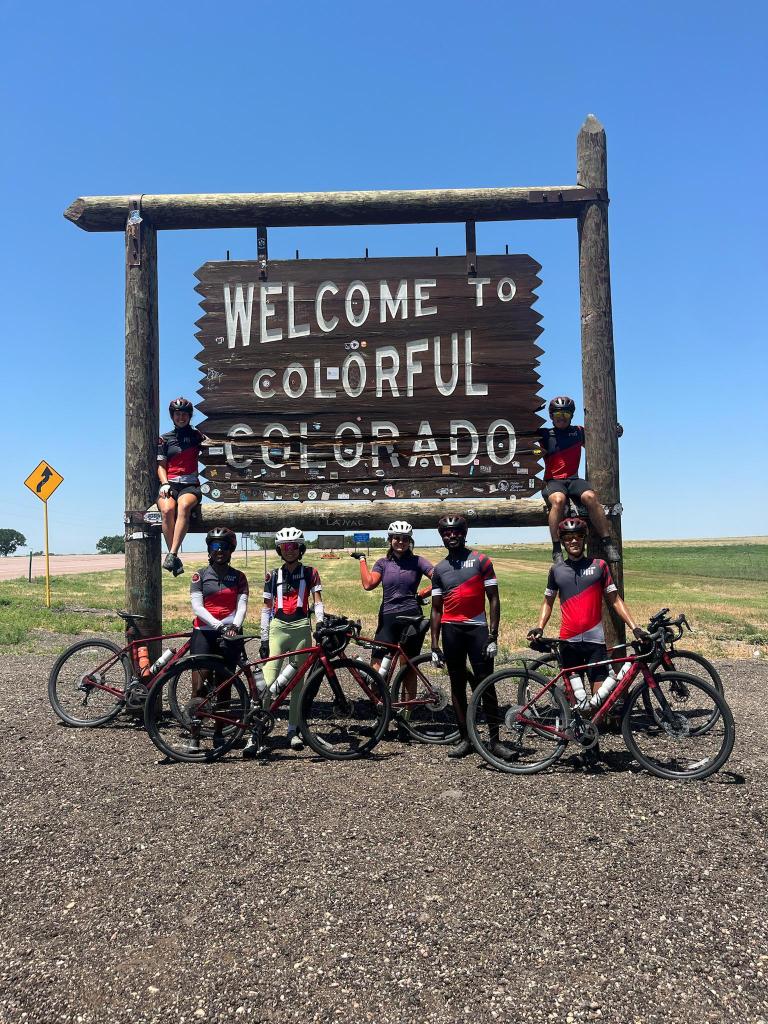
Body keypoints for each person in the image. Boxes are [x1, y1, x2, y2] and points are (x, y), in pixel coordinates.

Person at [527, 517, 649, 765]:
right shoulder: (556, 570)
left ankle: (592, 745)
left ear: (584, 539)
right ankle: (583, 744)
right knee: (576, 700)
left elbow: (615, 600)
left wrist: (635, 627)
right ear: (562, 542)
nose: (573, 541)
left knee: (597, 700)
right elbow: (548, 602)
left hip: (595, 643)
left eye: (578, 537)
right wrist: (540, 626)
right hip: (569, 642)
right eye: (568, 538)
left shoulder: (599, 566)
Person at [429, 514, 511, 761]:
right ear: (442, 537)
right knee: (457, 685)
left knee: (486, 683)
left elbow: (494, 599)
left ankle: (495, 741)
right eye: (447, 533)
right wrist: (434, 644)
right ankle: (466, 739)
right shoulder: (439, 569)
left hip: (477, 630)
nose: (452, 536)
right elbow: (436, 609)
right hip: (451, 630)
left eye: (456, 532)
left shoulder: (481, 561)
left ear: (464, 534)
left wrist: (493, 635)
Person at [351, 521, 433, 738]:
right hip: (387, 619)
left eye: (405, 539)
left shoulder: (417, 561)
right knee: (377, 670)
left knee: (408, 670)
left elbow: (439, 578)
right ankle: (382, 719)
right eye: (397, 538)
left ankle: (406, 722)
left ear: (410, 541)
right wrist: (362, 560)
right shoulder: (383, 563)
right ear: (390, 540)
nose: (401, 542)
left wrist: (423, 594)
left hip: (411, 618)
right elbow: (369, 584)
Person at [257, 526, 324, 756]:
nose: (290, 550)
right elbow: (266, 608)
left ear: (300, 548)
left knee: (297, 684)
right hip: (278, 628)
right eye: (285, 547)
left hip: (301, 628)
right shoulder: (272, 575)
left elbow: (317, 601)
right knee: (268, 680)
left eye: (294, 546)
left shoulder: (311, 572)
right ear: (279, 549)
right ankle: (260, 730)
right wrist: (264, 637)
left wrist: (320, 623)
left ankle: (293, 730)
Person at [537, 396, 622, 565]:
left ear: (571, 416)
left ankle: (607, 543)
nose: (562, 418)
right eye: (558, 414)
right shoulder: (545, 434)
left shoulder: (578, 432)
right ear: (551, 416)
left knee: (591, 497)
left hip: (573, 479)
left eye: (566, 414)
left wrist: (615, 430)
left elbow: (600, 434)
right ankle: (556, 549)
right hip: (553, 481)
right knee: (559, 500)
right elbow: (523, 434)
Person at [188, 527, 249, 753]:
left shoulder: (239, 577)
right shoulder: (200, 575)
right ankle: (194, 736)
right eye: (215, 546)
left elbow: (241, 606)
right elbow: (197, 607)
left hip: (230, 633)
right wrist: (218, 625)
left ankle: (219, 734)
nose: (219, 550)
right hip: (204, 632)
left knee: (225, 687)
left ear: (231, 549)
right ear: (209, 549)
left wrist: (234, 626)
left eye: (224, 546)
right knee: (199, 687)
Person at [157, 397, 206, 576]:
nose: (181, 417)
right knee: (167, 510)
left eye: (184, 414)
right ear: (172, 416)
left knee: (184, 506)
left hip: (190, 485)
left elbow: (212, 448)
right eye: (177, 414)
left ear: (190, 416)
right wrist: (164, 483)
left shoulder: (197, 436)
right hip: (169, 484)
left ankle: (172, 554)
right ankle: (174, 556)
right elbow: (161, 466)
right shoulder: (164, 439)